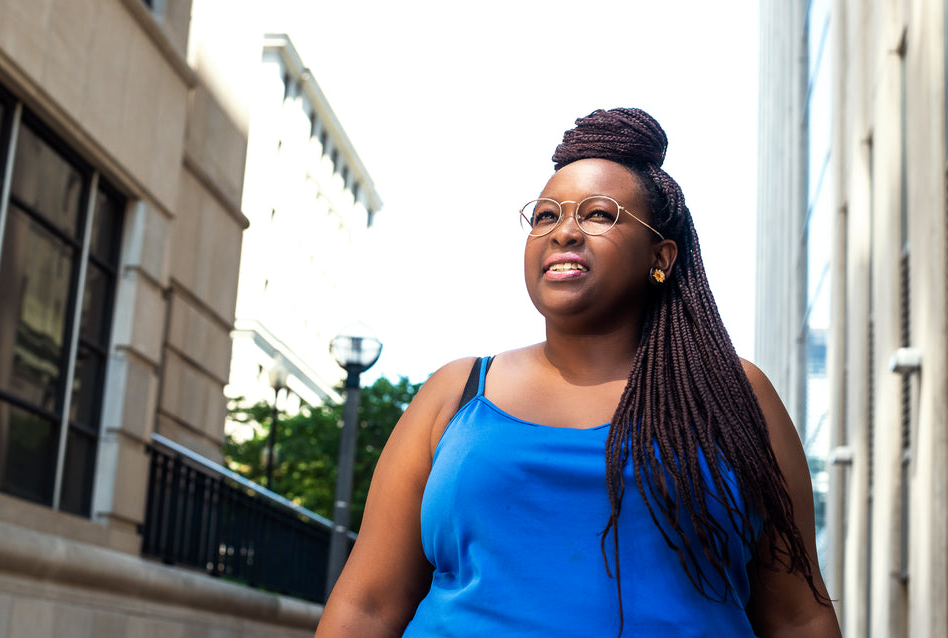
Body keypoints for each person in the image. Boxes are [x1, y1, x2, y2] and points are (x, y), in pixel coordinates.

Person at [315, 108, 841, 637]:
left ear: (661, 255)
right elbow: (368, 605)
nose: (563, 232)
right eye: (545, 216)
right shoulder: (455, 393)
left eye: (598, 214)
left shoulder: (731, 394)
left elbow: (798, 616)